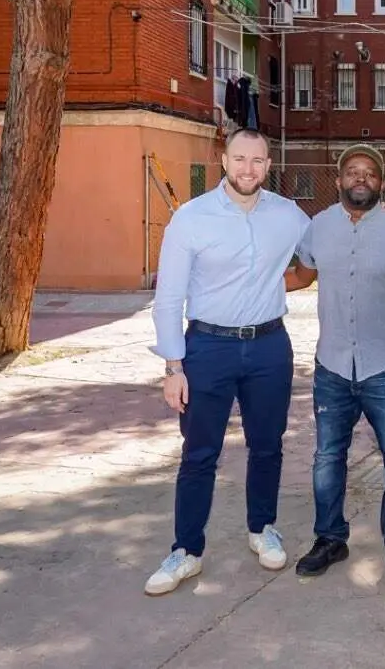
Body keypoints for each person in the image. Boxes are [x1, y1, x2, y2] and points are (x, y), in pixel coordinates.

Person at [145, 128, 311, 596]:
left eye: (257, 160)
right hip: (207, 348)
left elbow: (325, 249)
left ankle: (263, 528)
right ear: (224, 161)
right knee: (199, 454)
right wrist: (173, 367)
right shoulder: (191, 218)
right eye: (240, 159)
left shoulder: (289, 215)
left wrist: (377, 221)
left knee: (268, 446)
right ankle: (186, 550)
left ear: (269, 164)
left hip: (269, 347)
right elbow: (168, 297)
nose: (247, 169)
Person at [284, 144, 385, 586]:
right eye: (352, 172)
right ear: (339, 180)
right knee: (327, 458)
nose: (360, 178)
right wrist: (243, 287)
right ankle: (330, 538)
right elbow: (302, 276)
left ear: (381, 182)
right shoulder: (318, 226)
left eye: (369, 173)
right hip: (332, 365)